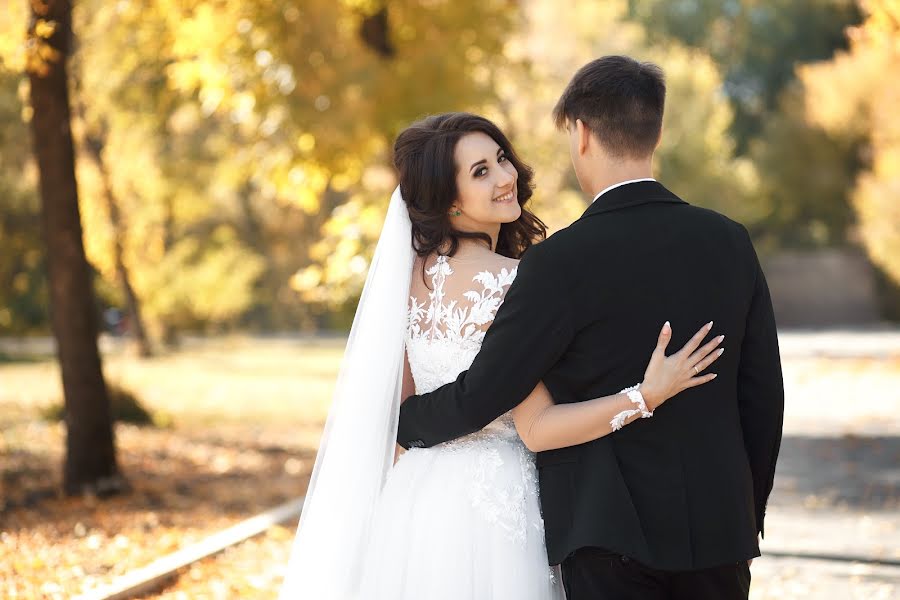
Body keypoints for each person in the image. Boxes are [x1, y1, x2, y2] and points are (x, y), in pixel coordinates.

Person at [278, 111, 723, 600]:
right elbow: (537, 429)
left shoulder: (403, 282)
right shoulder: (516, 282)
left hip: (415, 507)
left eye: (501, 158)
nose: (506, 177)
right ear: (448, 201)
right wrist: (644, 396)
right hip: (497, 510)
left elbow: (400, 417)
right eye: (481, 172)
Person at [396, 57, 785, 600]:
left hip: (607, 535)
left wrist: (397, 421)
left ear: (580, 134)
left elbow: (485, 394)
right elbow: (763, 395)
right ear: (657, 129)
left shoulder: (557, 263)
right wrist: (744, 511)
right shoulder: (730, 241)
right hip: (719, 533)